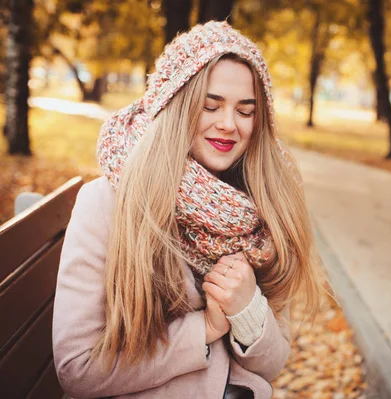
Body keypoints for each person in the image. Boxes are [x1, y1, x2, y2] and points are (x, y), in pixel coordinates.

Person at [52, 21, 323, 399]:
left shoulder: (265, 209)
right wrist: (206, 329)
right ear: (174, 105)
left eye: (246, 111)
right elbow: (78, 369)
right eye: (210, 106)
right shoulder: (108, 203)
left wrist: (247, 310)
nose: (228, 125)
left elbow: (272, 364)